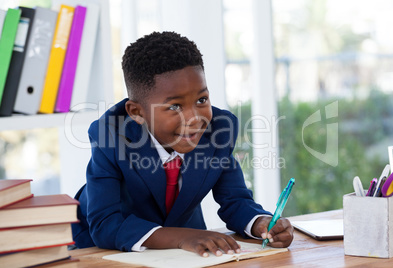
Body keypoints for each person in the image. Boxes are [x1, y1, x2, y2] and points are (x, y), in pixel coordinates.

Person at [72, 31, 293, 257]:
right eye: (174, 107)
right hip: (101, 248)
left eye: (201, 100)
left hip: (185, 247)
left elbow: (235, 200)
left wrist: (261, 223)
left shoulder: (219, 130)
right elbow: (106, 224)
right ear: (137, 112)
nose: (194, 118)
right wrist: (182, 237)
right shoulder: (109, 136)